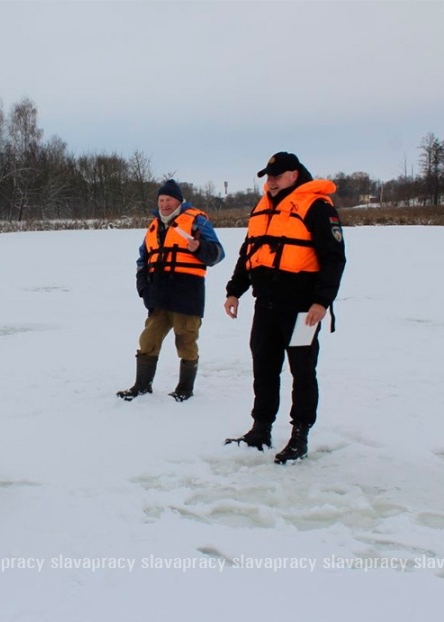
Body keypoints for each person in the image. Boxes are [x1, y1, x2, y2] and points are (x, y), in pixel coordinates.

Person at [223, 152, 346, 463]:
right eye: (268, 175)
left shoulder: (316, 207)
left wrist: (321, 301)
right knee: (263, 368)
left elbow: (334, 258)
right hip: (265, 305)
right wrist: (235, 291)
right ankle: (261, 428)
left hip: (303, 308)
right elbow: (248, 252)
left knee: (302, 372)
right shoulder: (261, 207)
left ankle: (300, 434)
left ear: (295, 175)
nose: (272, 180)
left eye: (278, 174)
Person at [117, 179, 225, 402]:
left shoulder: (197, 222)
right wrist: (143, 287)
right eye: (161, 200)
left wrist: (200, 248)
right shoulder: (154, 225)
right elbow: (143, 259)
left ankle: (185, 388)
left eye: (169, 200)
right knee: (148, 339)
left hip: (187, 294)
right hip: (159, 295)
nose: (164, 204)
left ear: (179, 201)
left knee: (185, 341)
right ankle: (142, 385)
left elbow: (218, 254)